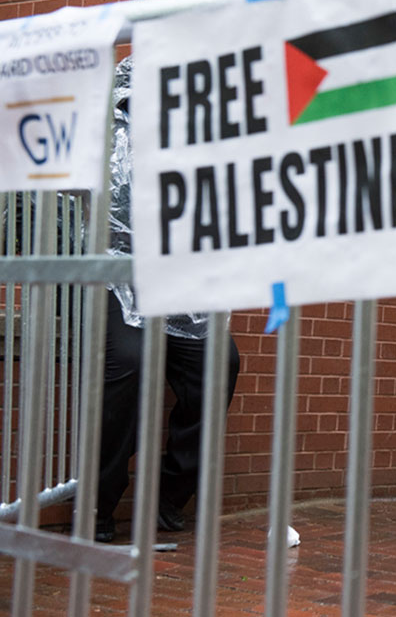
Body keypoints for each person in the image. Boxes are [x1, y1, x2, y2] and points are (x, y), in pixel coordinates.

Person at [95, 56, 241, 543]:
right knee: (129, 365)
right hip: (118, 282)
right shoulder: (105, 146)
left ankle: (169, 495)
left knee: (221, 361)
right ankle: (98, 502)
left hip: (182, 290)